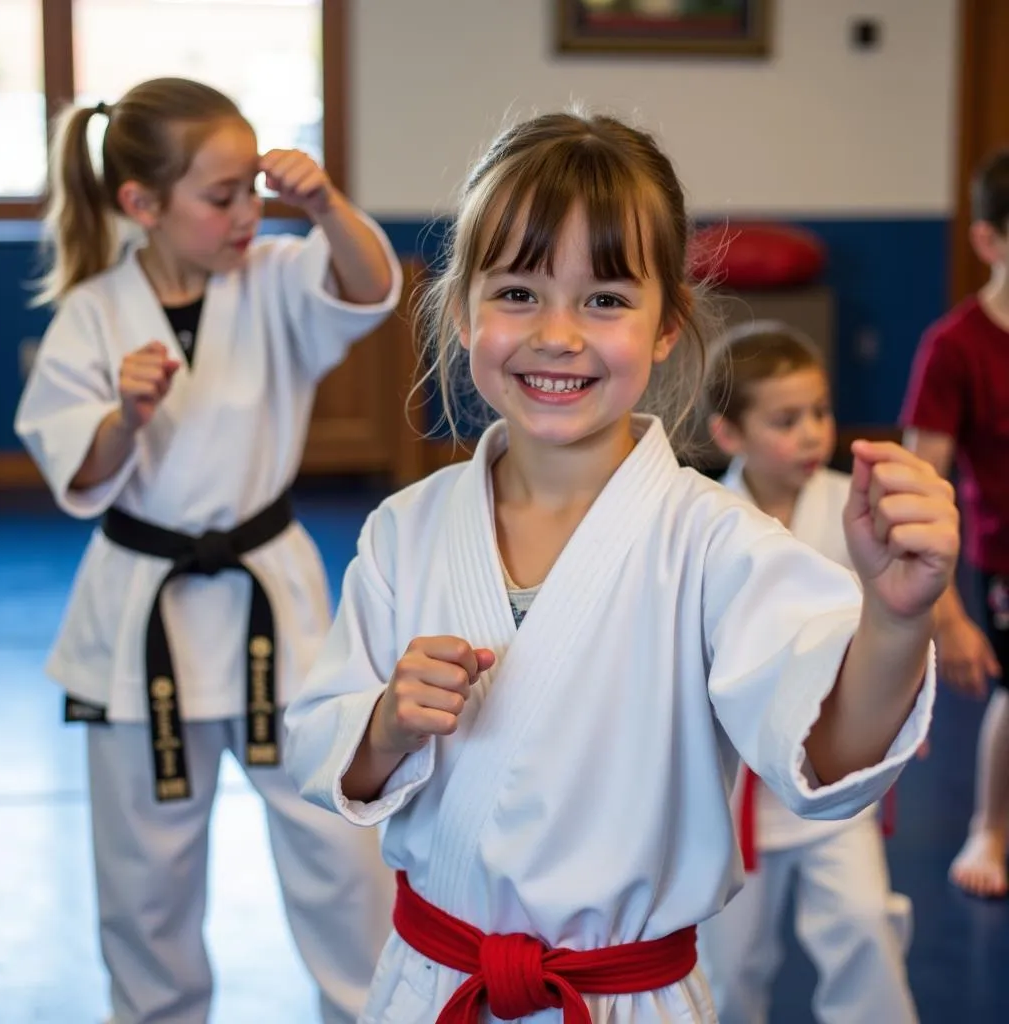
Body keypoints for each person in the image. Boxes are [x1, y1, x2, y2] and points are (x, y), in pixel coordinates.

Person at [284, 110, 954, 1024]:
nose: (557, 334)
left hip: (625, 997)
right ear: (461, 307)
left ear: (669, 325)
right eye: (517, 292)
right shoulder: (406, 529)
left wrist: (897, 618)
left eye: (604, 300)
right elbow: (319, 742)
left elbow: (827, 747)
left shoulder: (718, 543)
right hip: (435, 983)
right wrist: (385, 729)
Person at [15, 77, 399, 1024]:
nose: (246, 213)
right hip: (143, 610)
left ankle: (371, 1009)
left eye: (252, 190)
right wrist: (125, 416)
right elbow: (77, 467)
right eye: (220, 195)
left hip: (276, 601)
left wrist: (325, 205)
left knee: (340, 849)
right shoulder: (94, 317)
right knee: (147, 876)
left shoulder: (274, 275)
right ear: (142, 204)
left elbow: (368, 289)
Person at [697, 322, 917, 1024]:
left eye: (819, 412)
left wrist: (899, 698)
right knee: (730, 965)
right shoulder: (708, 525)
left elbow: (896, 615)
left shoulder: (856, 510)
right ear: (728, 435)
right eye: (785, 420)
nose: (811, 433)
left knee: (863, 926)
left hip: (834, 774)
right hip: (736, 796)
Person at [901, 149, 1009, 900]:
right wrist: (946, 613)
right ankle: (991, 827)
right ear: (988, 240)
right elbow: (921, 484)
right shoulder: (956, 346)